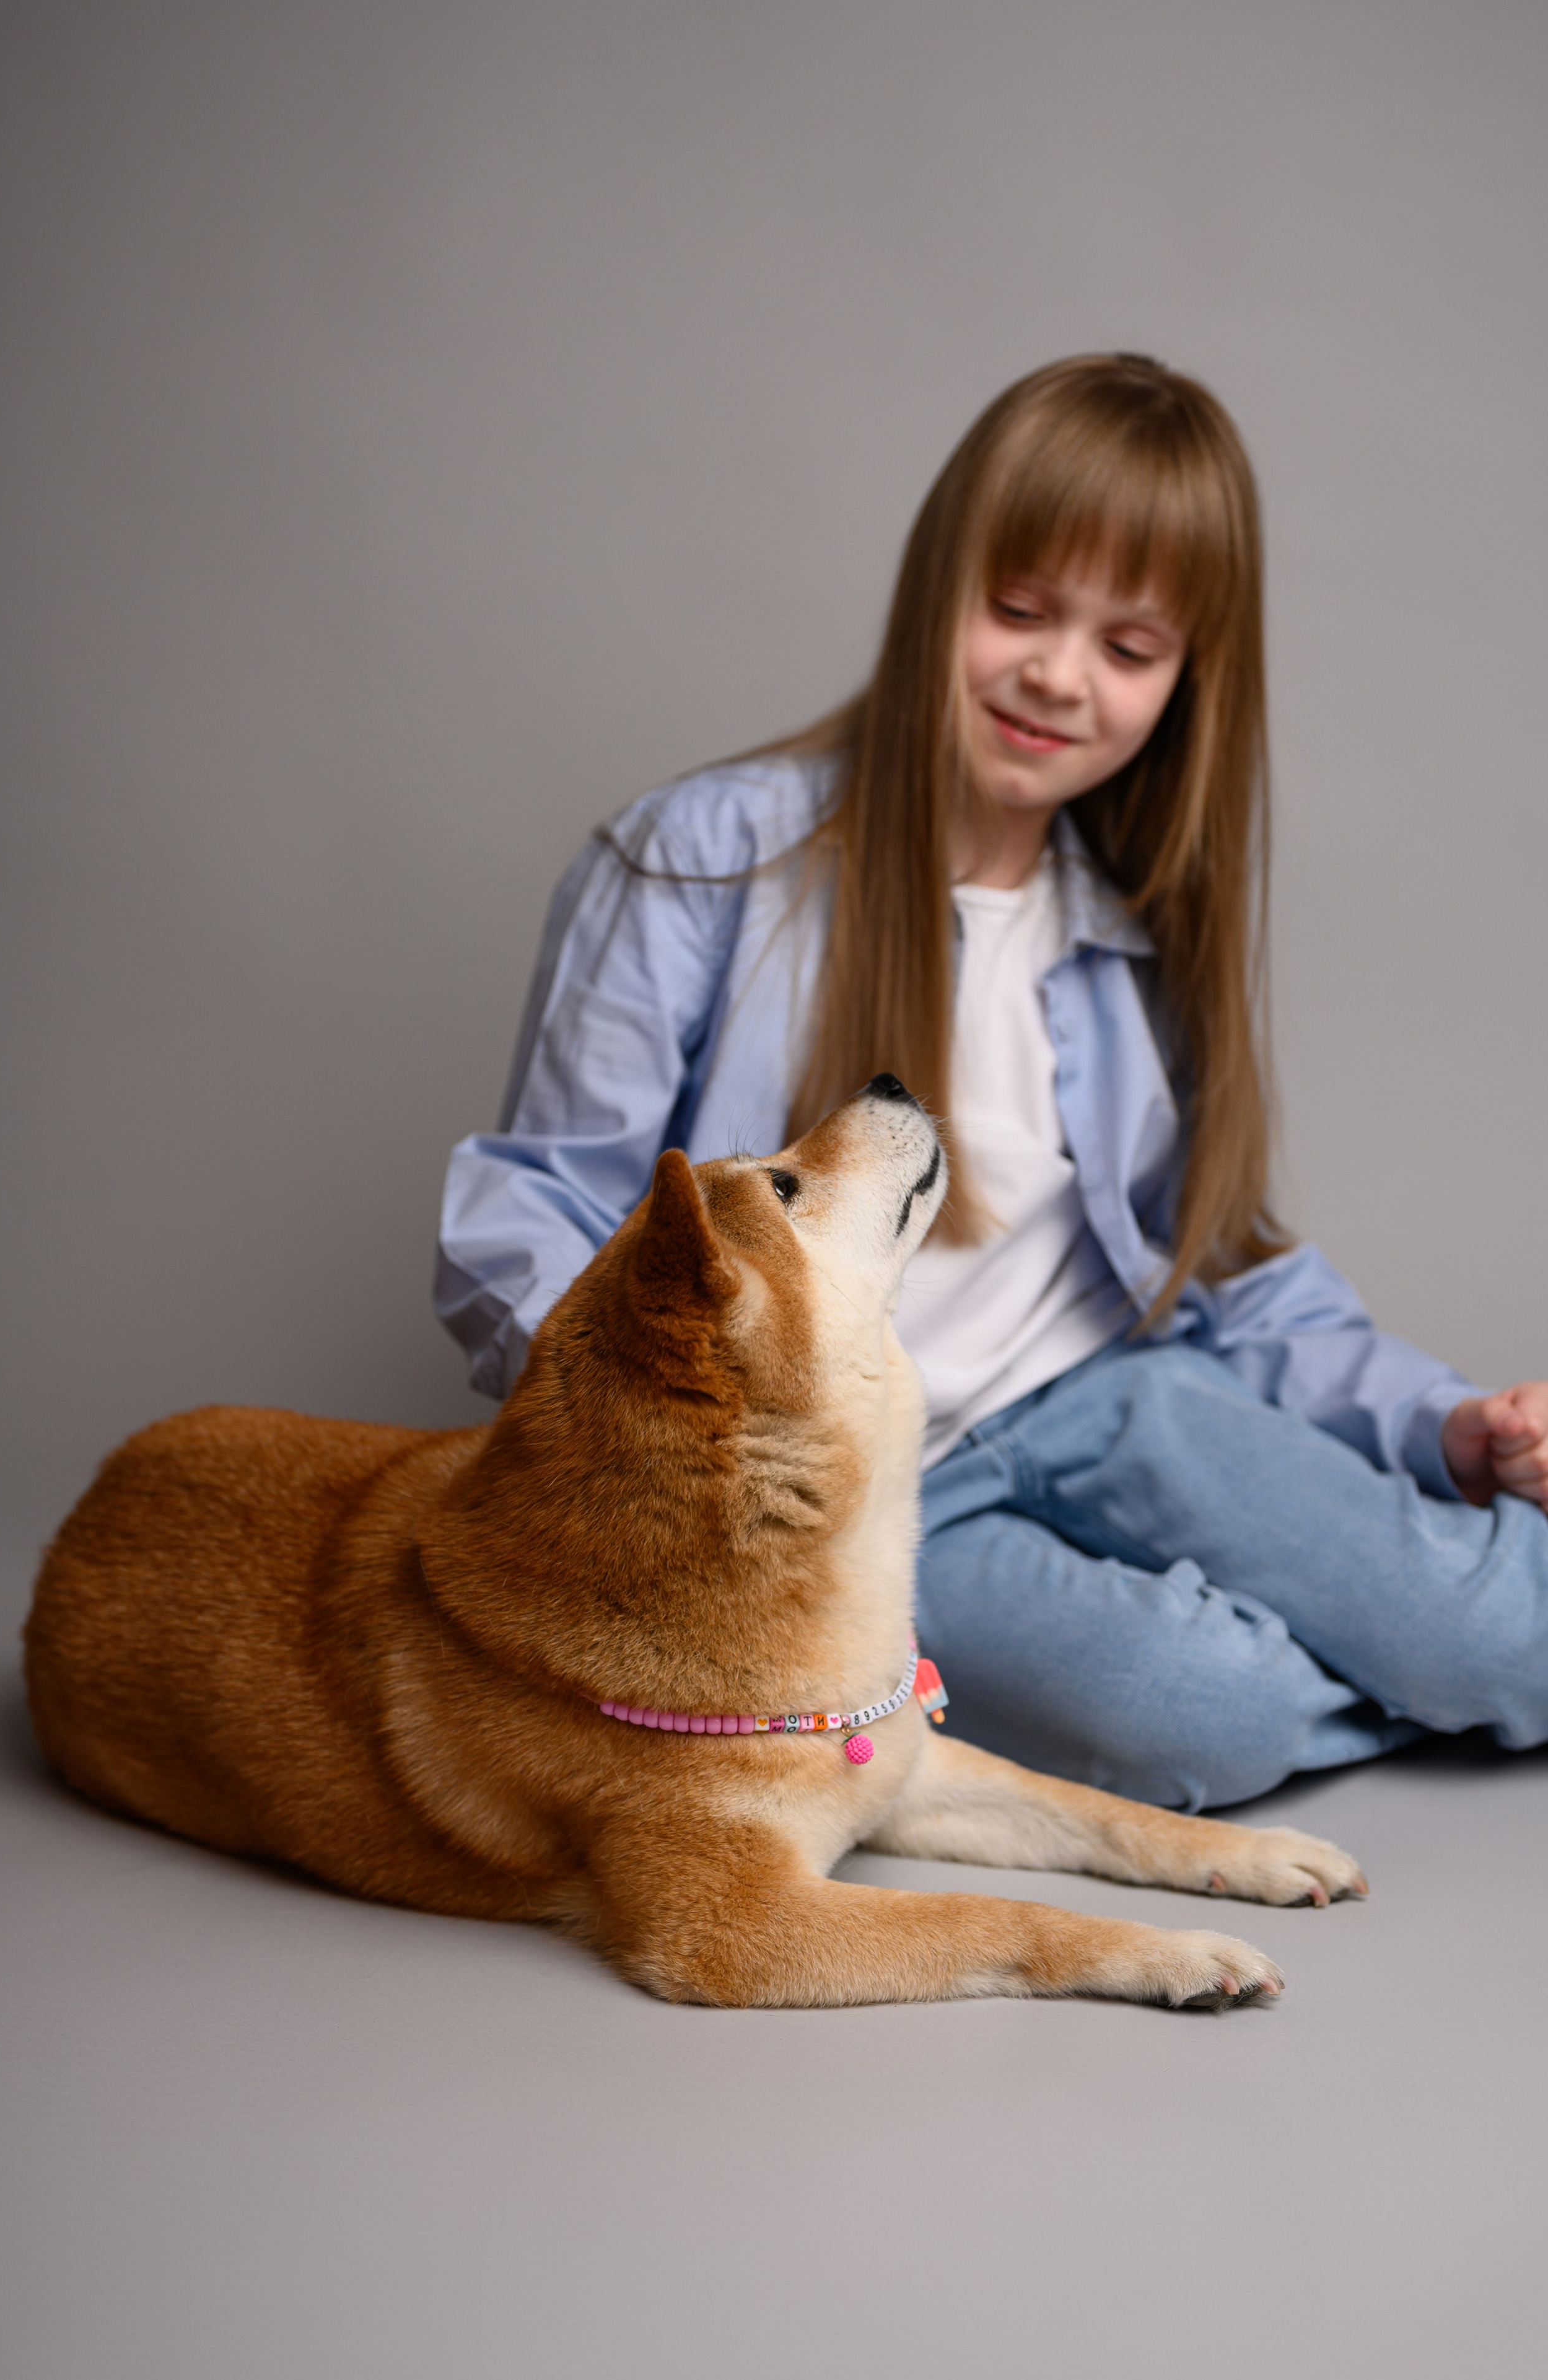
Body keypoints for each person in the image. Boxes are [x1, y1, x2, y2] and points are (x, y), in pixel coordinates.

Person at [435, 353, 1548, 1812]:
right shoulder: (696, 863)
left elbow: (1229, 1272)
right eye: (1017, 610)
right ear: (933, 590)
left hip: (1119, 1395)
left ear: (1184, 683)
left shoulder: (1133, 921)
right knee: (1206, 1714)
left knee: (1505, 1637)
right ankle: (1295, 1670)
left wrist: (1437, 1423)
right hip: (871, 1492)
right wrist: (672, 1442)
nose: (1057, 675)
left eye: (1127, 647)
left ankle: (1391, 1644)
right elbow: (531, 1214)